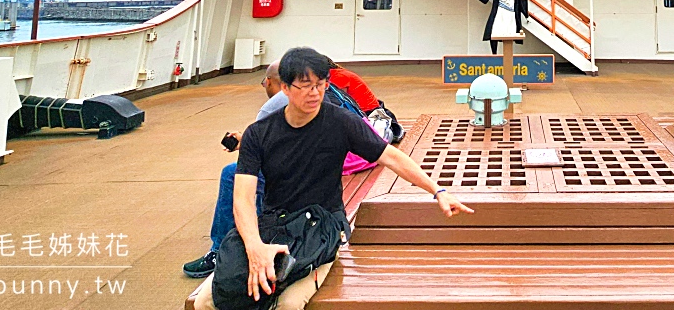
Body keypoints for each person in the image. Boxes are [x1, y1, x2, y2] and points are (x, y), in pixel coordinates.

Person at [190, 48, 472, 310]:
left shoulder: (340, 122)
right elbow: (242, 198)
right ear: (285, 88)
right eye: (306, 86)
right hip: (273, 225)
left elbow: (391, 157)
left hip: (321, 226)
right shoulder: (258, 133)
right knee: (207, 300)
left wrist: (437, 190)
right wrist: (255, 249)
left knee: (288, 303)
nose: (316, 93)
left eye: (322, 84)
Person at [182, 62, 285, 279]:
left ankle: (220, 250)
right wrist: (245, 138)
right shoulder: (313, 94)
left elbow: (259, 151)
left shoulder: (275, 103)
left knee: (233, 174)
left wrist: (246, 144)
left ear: (268, 82)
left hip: (299, 173)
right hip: (330, 164)